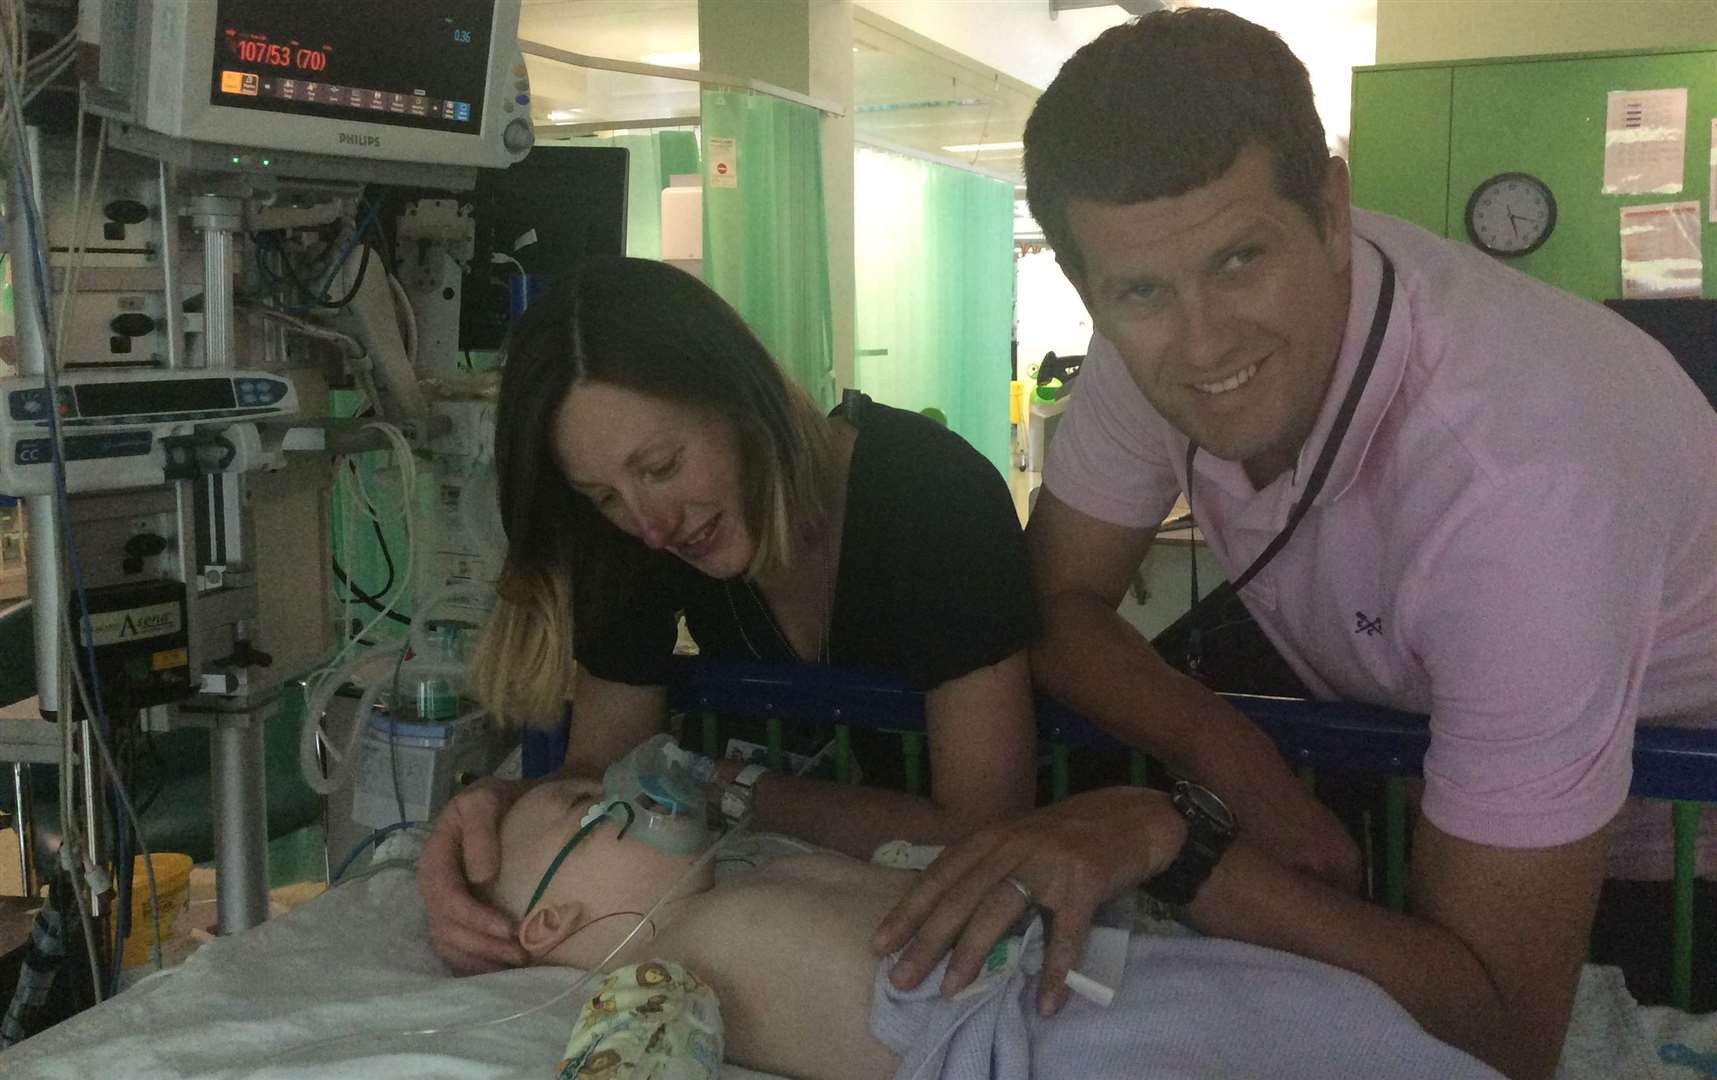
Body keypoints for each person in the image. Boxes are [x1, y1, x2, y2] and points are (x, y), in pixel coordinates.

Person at [873, 10, 1717, 1080]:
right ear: (1094, 289)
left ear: (1329, 208)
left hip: (1673, 843)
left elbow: (1501, 1028)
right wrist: (1229, 752)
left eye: (1239, 259)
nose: (1203, 342)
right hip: (1424, 749)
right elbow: (1054, 602)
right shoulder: (1158, 348)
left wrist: (1175, 840)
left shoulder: (1521, 487)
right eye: (1137, 292)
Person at [419, 256, 1039, 975]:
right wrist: (495, 814)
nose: (649, 525)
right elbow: (603, 768)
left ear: (741, 401)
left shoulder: (932, 496)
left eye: (658, 466)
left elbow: (985, 830)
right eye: (604, 497)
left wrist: (723, 785)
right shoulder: (638, 545)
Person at [488, 769, 1505, 1080]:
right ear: (550, 922)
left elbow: (945, 852)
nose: (621, 786)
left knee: (1327, 1021)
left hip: (1105, 954)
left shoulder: (763, 869)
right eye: (583, 805)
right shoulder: (657, 968)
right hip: (1020, 1039)